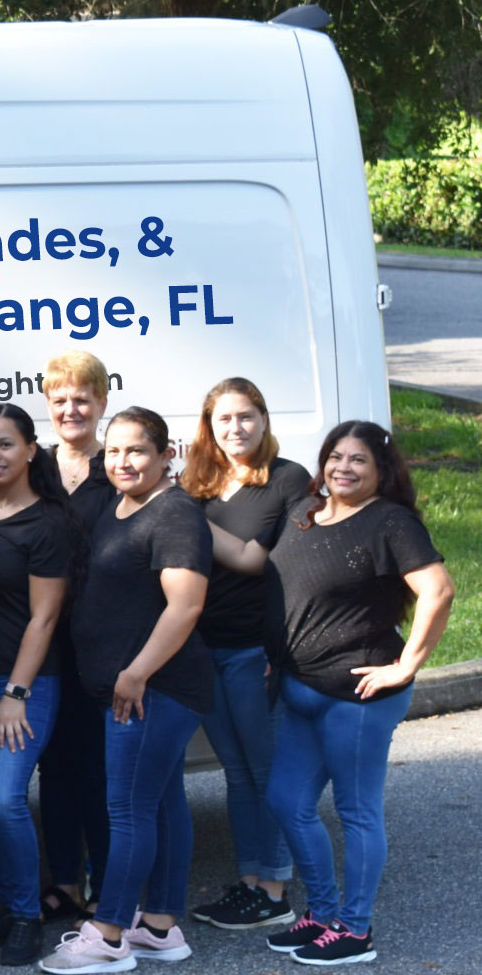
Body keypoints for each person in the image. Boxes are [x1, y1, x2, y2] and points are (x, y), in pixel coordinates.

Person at [261, 422, 454, 965]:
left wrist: (407, 665)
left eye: (359, 461)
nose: (343, 468)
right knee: (287, 800)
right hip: (299, 687)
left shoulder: (389, 522)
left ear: (381, 472)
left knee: (356, 812)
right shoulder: (305, 513)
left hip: (359, 695)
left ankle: (355, 929)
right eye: (336, 457)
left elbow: (438, 590)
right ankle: (322, 913)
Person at [40, 407, 213, 975]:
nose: (121, 461)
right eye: (112, 452)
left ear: (167, 455)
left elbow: (185, 605)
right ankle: (160, 926)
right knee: (162, 803)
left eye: (136, 450)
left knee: (128, 809)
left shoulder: (176, 514)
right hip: (133, 688)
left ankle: (110, 932)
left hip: (154, 690)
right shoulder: (121, 506)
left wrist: (136, 672)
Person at [177, 377, 313, 933]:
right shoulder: (199, 483)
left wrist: (189, 519)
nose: (236, 428)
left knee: (266, 770)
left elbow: (264, 562)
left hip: (255, 650)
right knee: (234, 773)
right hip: (205, 648)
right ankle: (251, 881)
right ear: (208, 426)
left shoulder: (288, 480)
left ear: (264, 418)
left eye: (246, 416)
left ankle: (276, 886)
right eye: (223, 419)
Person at [0, 404, 78, 966]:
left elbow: (44, 619)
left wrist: (16, 693)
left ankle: (28, 918)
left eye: (5, 444)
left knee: (5, 798)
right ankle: (13, 903)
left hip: (19, 682)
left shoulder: (47, 522)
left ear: (32, 450)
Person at [36, 348, 118, 922]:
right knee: (55, 767)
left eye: (82, 399)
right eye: (60, 400)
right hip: (42, 644)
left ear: (102, 403)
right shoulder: (34, 468)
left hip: (103, 642)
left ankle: (107, 884)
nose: (72, 409)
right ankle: (63, 880)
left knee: (100, 769)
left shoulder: (116, 468)